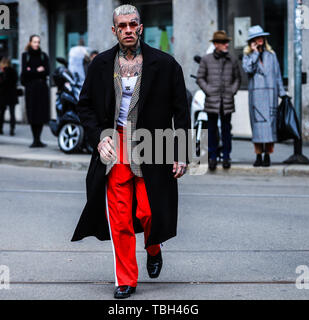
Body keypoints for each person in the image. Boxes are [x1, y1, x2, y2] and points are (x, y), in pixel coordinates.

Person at [71, 4, 190, 299]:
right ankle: (125, 278)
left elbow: (181, 111)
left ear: (140, 27)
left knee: (149, 211)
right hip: (116, 146)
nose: (127, 30)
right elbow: (84, 106)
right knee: (121, 218)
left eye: (132, 24)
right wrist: (99, 137)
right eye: (121, 26)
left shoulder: (165, 64)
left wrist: (182, 151)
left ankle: (153, 246)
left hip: (154, 144)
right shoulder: (100, 65)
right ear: (114, 30)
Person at [242, 25, 287, 167]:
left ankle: (267, 155)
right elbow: (248, 69)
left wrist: (282, 93)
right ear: (252, 41)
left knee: (270, 127)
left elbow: (278, 75)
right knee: (257, 128)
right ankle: (258, 155)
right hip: (256, 96)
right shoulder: (248, 56)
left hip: (270, 94)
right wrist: (255, 53)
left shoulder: (271, 55)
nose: (260, 39)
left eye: (261, 37)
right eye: (256, 38)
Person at [196, 30, 241, 170]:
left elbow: (237, 78)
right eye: (223, 42)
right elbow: (200, 78)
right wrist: (209, 91)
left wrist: (232, 91)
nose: (226, 45)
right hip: (212, 101)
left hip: (227, 101)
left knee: (227, 130)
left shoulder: (232, 59)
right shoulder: (206, 59)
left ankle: (226, 156)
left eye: (227, 42)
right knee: (212, 130)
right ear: (216, 44)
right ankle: (212, 157)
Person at [21, 34, 50, 148]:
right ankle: (35, 139)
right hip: (31, 89)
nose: (36, 44)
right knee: (32, 113)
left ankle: (39, 139)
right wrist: (37, 70)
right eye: (34, 42)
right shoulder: (25, 55)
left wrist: (31, 71)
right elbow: (24, 72)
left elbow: (47, 71)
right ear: (30, 42)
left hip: (42, 88)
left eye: (38, 42)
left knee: (41, 113)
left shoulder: (43, 56)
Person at [0, 57, 18, 136]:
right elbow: (15, 80)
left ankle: (0, 129)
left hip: (3, 94)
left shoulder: (1, 72)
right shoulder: (13, 71)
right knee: (12, 113)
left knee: (2, 113)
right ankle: (12, 129)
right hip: (12, 94)